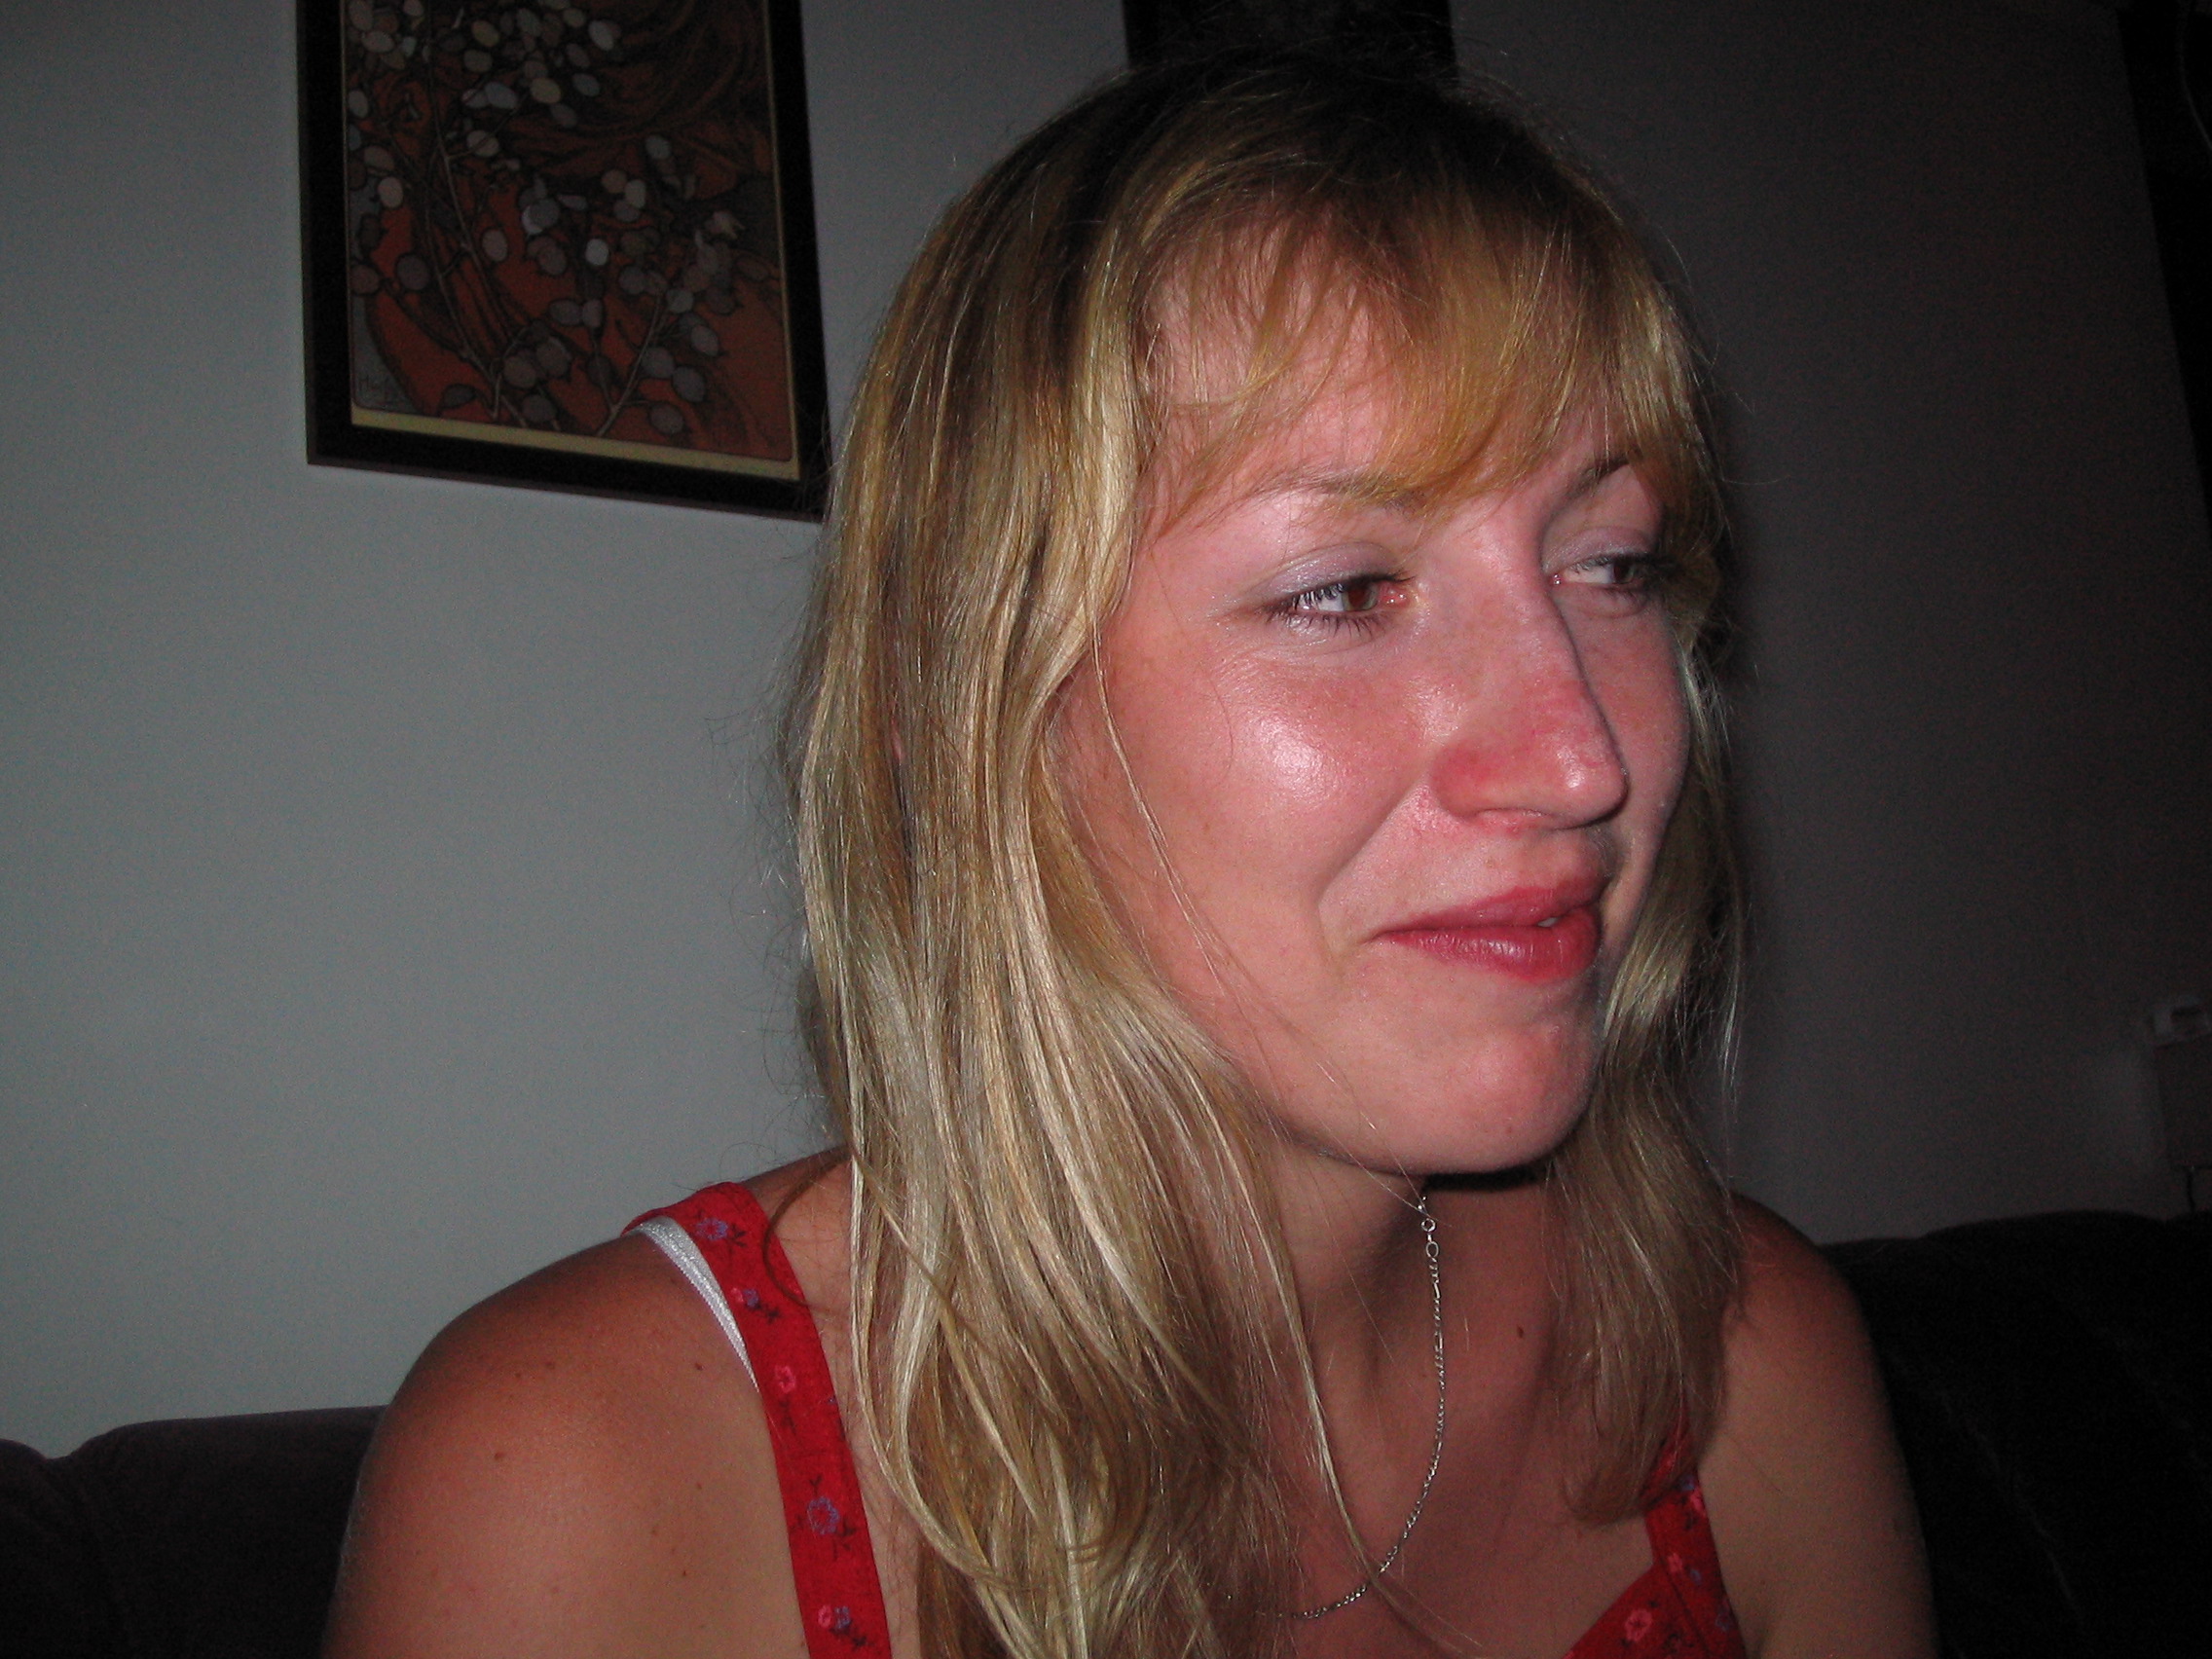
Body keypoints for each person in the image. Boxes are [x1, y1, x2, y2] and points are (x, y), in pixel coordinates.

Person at [323, 47, 1935, 1659]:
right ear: (964, 712)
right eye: (1344, 590)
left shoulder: (1743, 1368)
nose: (1582, 761)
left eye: (1614, 564)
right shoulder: (581, 1494)